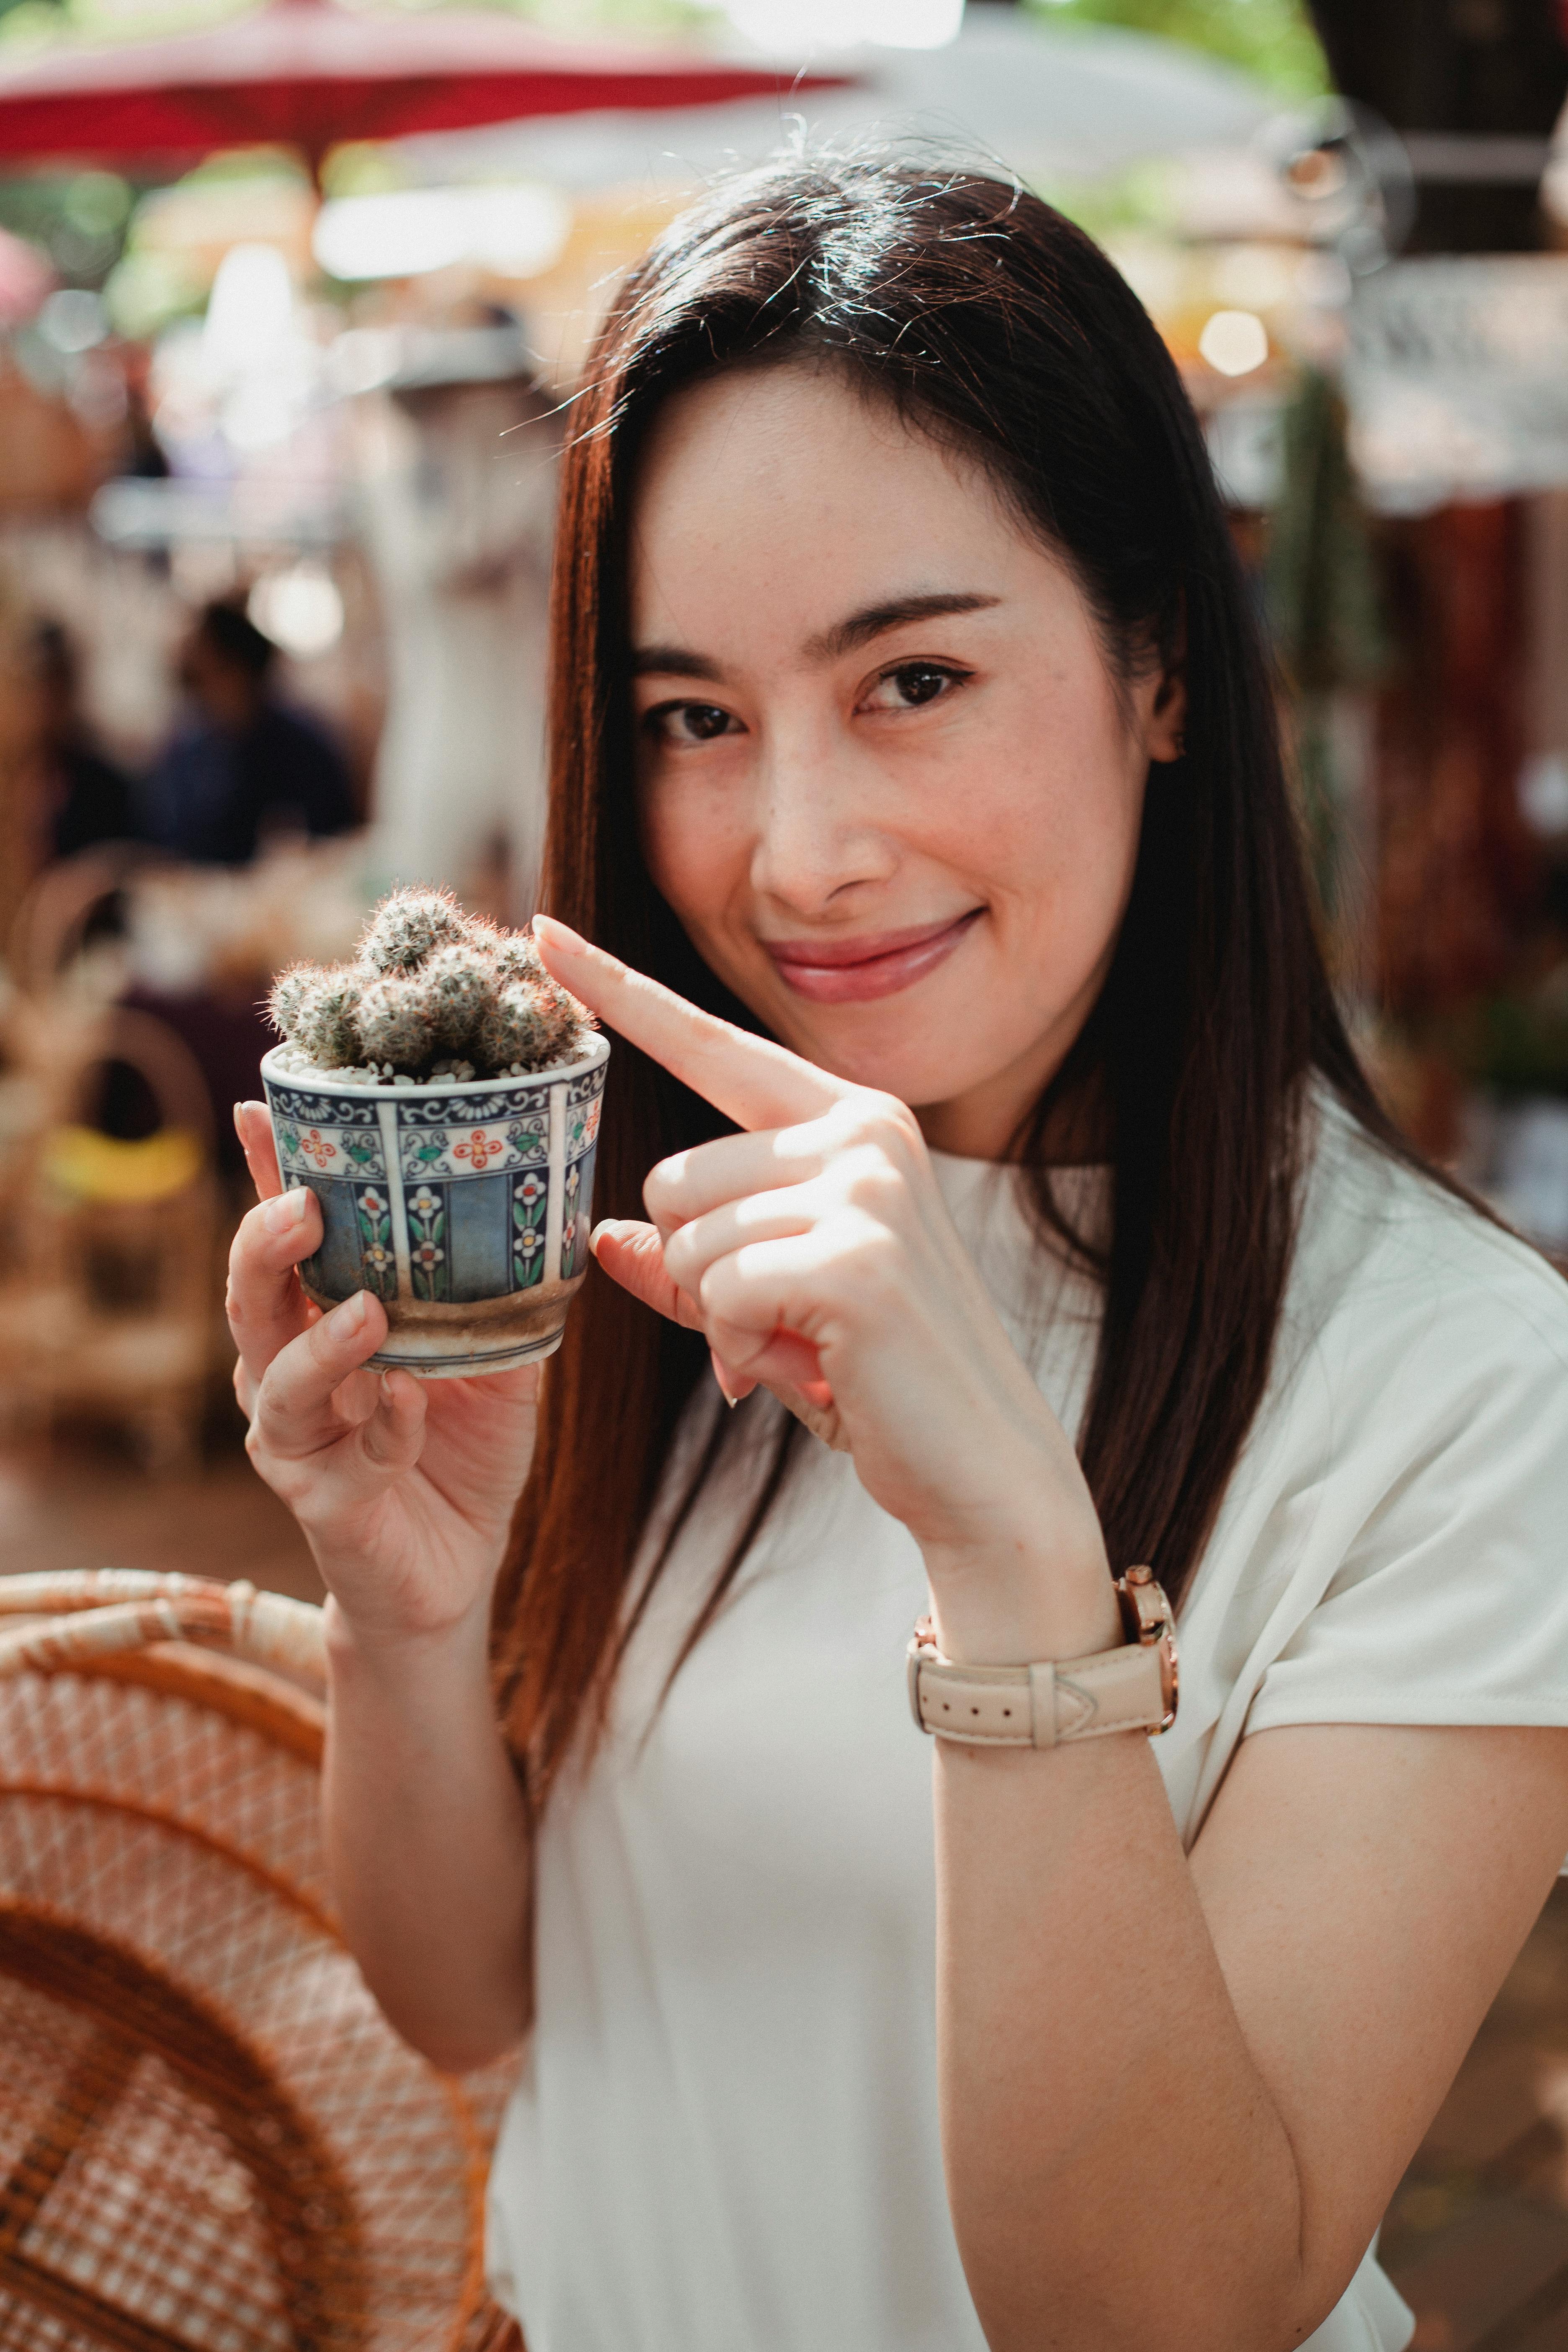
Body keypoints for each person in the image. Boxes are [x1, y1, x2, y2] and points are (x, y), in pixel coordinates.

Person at [228, 162, 1568, 2352]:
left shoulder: (1468, 1382)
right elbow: (469, 1997)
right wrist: (408, 1614)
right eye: (692, 718)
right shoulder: (652, 1244)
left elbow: (1162, 2311)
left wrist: (1022, 1566)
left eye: (915, 677)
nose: (801, 855)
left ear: (1160, 665)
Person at [143, 599, 357, 866]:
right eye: (197, 679)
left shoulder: (305, 746)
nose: (206, 691)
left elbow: (341, 842)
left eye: (216, 672)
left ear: (246, 668)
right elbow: (166, 852)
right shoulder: (186, 754)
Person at [28, 620, 141, 862]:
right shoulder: (14, 778)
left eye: (56, 689)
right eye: (37, 689)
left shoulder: (106, 786)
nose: (44, 705)